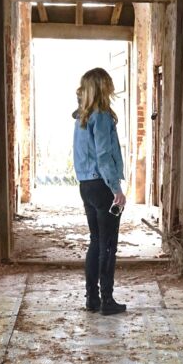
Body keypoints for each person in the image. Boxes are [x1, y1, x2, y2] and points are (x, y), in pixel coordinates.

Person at [72, 67, 127, 316]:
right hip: (102, 185)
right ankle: (107, 300)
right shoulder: (101, 117)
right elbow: (104, 156)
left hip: (86, 185)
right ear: (103, 87)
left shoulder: (81, 117)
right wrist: (116, 188)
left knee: (96, 241)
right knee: (108, 245)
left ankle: (92, 298)